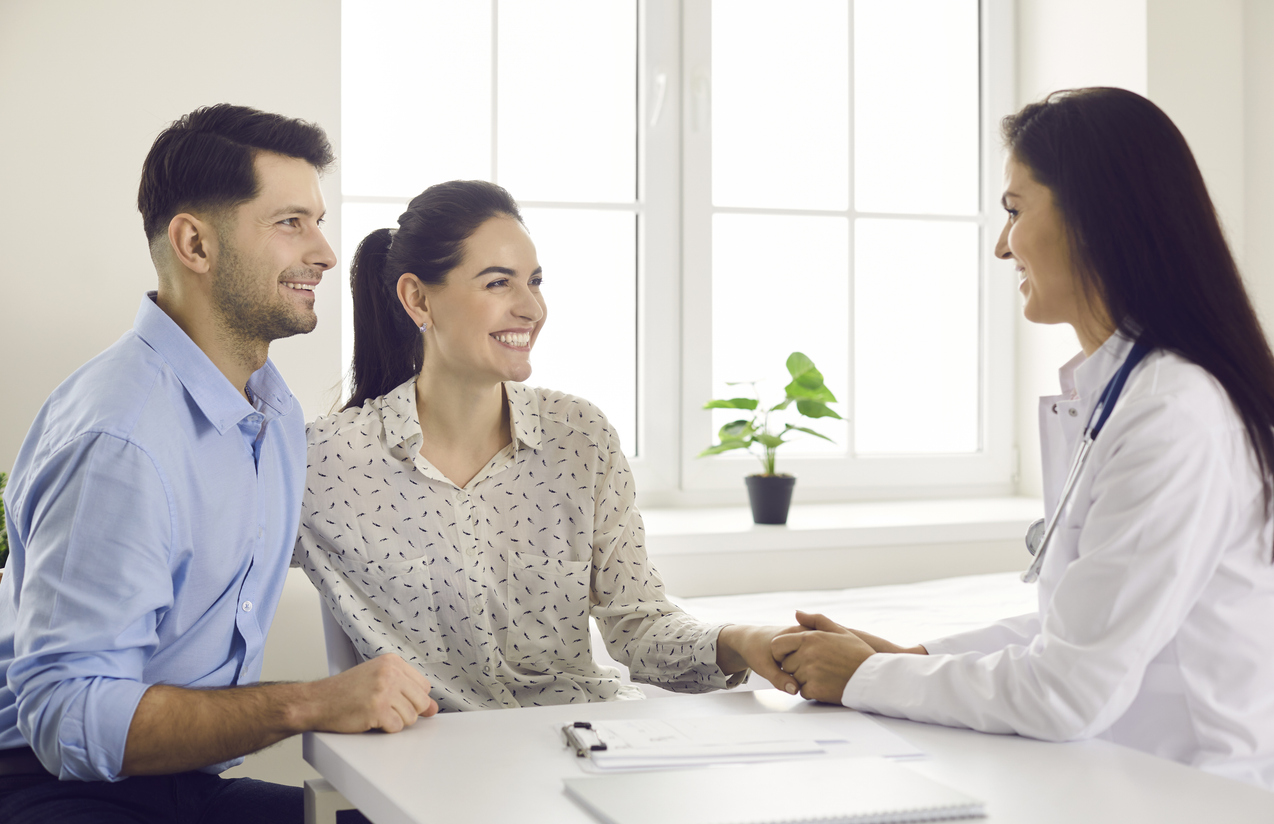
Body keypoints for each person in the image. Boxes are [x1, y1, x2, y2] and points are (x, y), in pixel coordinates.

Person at [772, 87, 1274, 789]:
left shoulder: (1175, 414)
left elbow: (1068, 690)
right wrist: (908, 656)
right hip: (1135, 776)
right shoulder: (1130, 393)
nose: (1003, 244)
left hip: (1198, 793)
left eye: (1014, 210)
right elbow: (1074, 625)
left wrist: (869, 676)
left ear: (1099, 219)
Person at [0, 104, 438, 824]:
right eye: (290, 222)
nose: (326, 253)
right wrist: (307, 702)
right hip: (52, 791)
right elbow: (67, 718)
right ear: (195, 244)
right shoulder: (123, 439)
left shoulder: (274, 412)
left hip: (181, 786)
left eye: (318, 221)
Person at [294, 180, 800, 710]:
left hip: (584, 743)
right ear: (417, 298)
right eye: (498, 283)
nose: (532, 308)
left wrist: (744, 641)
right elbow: (217, 568)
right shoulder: (327, 462)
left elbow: (637, 628)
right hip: (429, 767)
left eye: (535, 282)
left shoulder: (581, 436)